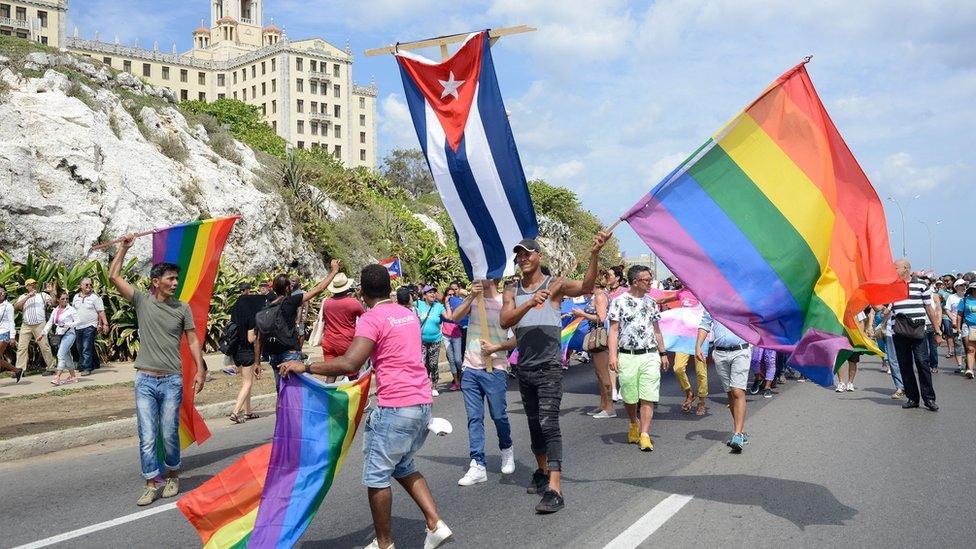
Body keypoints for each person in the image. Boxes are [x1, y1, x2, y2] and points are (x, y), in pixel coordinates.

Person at [279, 264, 453, 549]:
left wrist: (306, 366)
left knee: (377, 475)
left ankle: (384, 544)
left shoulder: (372, 318)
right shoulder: (407, 314)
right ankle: (435, 523)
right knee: (404, 465)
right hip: (421, 403)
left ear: (362, 290)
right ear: (389, 288)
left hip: (395, 406)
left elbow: (350, 363)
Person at [500, 231, 609, 514]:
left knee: (549, 424)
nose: (523, 258)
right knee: (535, 425)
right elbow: (504, 321)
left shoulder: (556, 285)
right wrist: (529, 302)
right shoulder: (512, 290)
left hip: (549, 367)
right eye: (519, 255)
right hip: (524, 368)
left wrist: (595, 253)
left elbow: (586, 287)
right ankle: (541, 470)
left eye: (528, 253)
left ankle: (555, 488)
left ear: (539, 257)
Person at [108, 234, 207, 506]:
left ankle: (173, 474)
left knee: (168, 433)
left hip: (172, 380)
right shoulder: (142, 301)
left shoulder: (182, 308)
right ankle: (152, 482)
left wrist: (200, 369)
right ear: (156, 282)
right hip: (145, 380)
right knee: (147, 435)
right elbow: (114, 277)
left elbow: (193, 339)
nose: (175, 283)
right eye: (170, 279)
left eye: (176, 279)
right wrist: (123, 248)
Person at [449, 279, 516, 486]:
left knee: (498, 415)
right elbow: (454, 318)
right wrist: (470, 296)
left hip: (495, 369)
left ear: (494, 277)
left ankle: (506, 449)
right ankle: (478, 464)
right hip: (471, 369)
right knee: (474, 418)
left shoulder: (506, 302)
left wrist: (495, 348)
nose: (478, 277)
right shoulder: (474, 301)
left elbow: (517, 339)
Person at [607, 265, 670, 452]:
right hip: (627, 355)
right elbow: (614, 331)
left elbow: (656, 330)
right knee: (629, 396)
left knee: (648, 395)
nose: (650, 282)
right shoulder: (619, 302)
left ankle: (644, 434)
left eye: (651, 279)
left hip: (650, 354)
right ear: (635, 281)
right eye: (647, 280)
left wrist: (663, 353)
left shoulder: (651, 302)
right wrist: (612, 356)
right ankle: (633, 422)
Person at [255, 261, 341, 392]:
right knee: (294, 393)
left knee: (281, 392)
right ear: (288, 288)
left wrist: (257, 362)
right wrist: (334, 271)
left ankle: (282, 413)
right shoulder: (290, 301)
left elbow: (259, 339)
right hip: (290, 354)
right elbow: (318, 289)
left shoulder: (266, 308)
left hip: (274, 356)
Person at [696, 309, 751, 453]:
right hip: (720, 353)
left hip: (741, 351)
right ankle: (741, 431)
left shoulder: (741, 300)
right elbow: (704, 325)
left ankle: (737, 435)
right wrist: (698, 346)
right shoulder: (712, 304)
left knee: (737, 390)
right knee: (730, 393)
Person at [890, 259, 941, 412]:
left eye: (895, 267)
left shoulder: (921, 285)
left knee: (922, 363)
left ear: (905, 268)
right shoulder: (892, 286)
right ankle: (913, 398)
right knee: (905, 365)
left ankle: (929, 399)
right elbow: (884, 306)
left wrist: (937, 330)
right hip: (899, 332)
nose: (893, 270)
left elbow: (929, 309)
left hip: (918, 331)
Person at [229, 283, 267, 423]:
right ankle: (235, 412)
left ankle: (248, 412)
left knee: (247, 382)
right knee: (247, 383)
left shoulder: (235, 317)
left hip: (237, 352)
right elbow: (251, 338)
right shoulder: (251, 319)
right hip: (247, 352)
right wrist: (258, 334)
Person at [573, 284, 613, 418]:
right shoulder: (599, 296)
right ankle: (603, 405)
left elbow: (601, 318)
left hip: (600, 337)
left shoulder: (600, 296)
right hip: (597, 336)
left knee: (603, 373)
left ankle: (609, 408)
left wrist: (582, 314)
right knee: (599, 373)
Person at [320, 272, 365, 383]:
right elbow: (365, 317)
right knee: (352, 374)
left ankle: (327, 399)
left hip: (328, 341)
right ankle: (355, 399)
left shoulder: (326, 302)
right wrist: (359, 297)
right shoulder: (353, 303)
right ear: (346, 287)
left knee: (331, 372)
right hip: (346, 342)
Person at [14, 278, 55, 375]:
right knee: (22, 347)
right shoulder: (22, 296)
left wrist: (52, 292)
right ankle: (20, 370)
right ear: (27, 286)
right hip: (26, 325)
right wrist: (28, 296)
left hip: (40, 324)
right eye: (31, 284)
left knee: (45, 346)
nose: (33, 286)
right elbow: (16, 307)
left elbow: (52, 303)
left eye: (34, 284)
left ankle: (50, 367)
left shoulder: (42, 295)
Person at [41, 291, 79, 386]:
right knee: (67, 356)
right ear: (58, 300)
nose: (65, 300)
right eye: (63, 299)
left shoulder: (71, 309)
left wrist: (66, 324)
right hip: (59, 335)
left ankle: (57, 377)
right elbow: (50, 323)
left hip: (69, 334)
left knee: (60, 355)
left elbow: (78, 321)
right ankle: (73, 377)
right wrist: (43, 333)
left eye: (67, 299)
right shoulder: (55, 310)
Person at [72, 278, 109, 376]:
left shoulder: (95, 297)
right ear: (81, 286)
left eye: (90, 285)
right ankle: (95, 363)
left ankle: (86, 367)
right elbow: (73, 311)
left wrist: (104, 324)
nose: (89, 286)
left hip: (90, 325)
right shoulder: (76, 297)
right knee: (80, 347)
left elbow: (100, 311)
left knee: (86, 347)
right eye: (86, 285)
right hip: (78, 326)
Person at [416, 286, 448, 396]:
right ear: (424, 295)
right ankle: (424, 386)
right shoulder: (418, 304)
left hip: (435, 340)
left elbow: (449, 317)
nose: (433, 294)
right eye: (430, 293)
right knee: (423, 363)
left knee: (433, 364)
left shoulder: (438, 306)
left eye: (434, 292)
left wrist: (447, 304)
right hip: (421, 341)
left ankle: (434, 386)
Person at [441, 283, 466, 391]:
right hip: (446, 335)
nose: (451, 297)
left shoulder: (459, 305)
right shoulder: (441, 307)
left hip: (457, 335)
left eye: (453, 294)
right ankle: (456, 381)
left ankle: (461, 378)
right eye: (448, 294)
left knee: (458, 360)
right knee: (451, 360)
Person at [0, 285, 25, 383]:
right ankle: (17, 370)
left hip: (5, 333)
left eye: (4, 292)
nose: (2, 294)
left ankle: (17, 370)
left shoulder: (8, 306)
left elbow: (11, 322)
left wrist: (12, 337)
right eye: (0, 292)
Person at [945, 279, 967, 373]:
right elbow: (947, 309)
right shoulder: (951, 297)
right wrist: (952, 319)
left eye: (964, 285)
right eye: (961, 285)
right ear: (956, 287)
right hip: (955, 323)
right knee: (958, 344)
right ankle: (960, 365)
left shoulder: (968, 296)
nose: (963, 286)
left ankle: (968, 365)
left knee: (969, 344)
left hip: (967, 323)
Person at [956, 282, 976, 378]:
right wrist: (958, 328)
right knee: (970, 348)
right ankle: (970, 370)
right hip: (968, 326)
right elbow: (959, 315)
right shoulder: (965, 300)